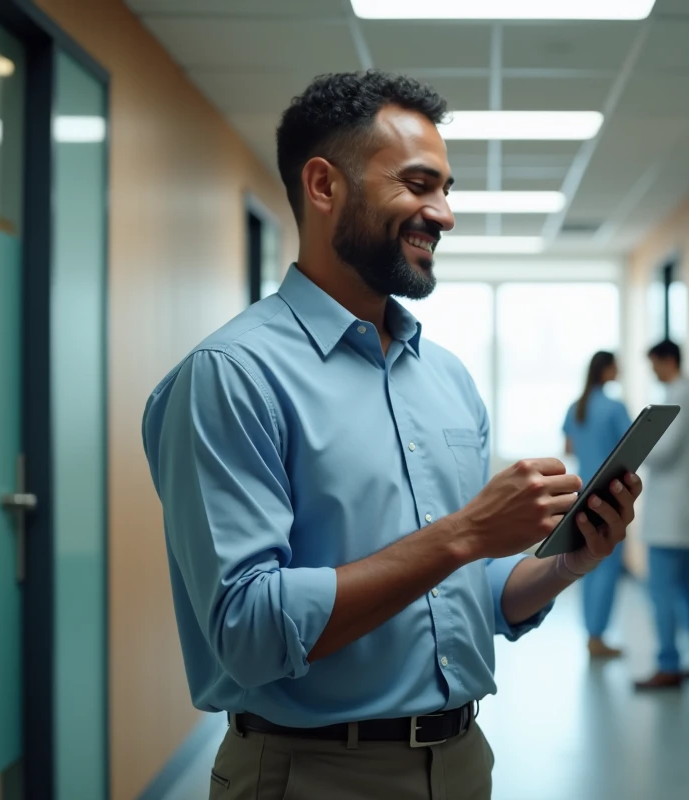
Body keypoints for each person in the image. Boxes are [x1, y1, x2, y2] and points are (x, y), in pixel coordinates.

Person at [140, 71, 644, 800]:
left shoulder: (446, 380)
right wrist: (466, 532)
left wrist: (568, 562)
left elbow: (475, 596)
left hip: (464, 762)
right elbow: (247, 630)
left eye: (446, 189)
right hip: (311, 774)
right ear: (324, 186)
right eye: (417, 185)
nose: (443, 213)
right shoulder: (231, 377)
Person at [634, 339, 689, 690]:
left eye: (654, 364)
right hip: (686, 506)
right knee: (688, 588)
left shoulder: (678, 396)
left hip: (672, 511)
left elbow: (664, 452)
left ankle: (668, 664)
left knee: (662, 591)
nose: (653, 371)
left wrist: (637, 442)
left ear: (668, 361)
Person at [562, 351, 633, 659]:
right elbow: (631, 448)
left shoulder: (576, 408)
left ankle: (590, 634)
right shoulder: (615, 407)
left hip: (580, 494)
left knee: (587, 566)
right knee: (606, 568)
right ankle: (598, 636)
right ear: (606, 370)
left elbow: (568, 447)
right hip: (609, 497)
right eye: (617, 366)